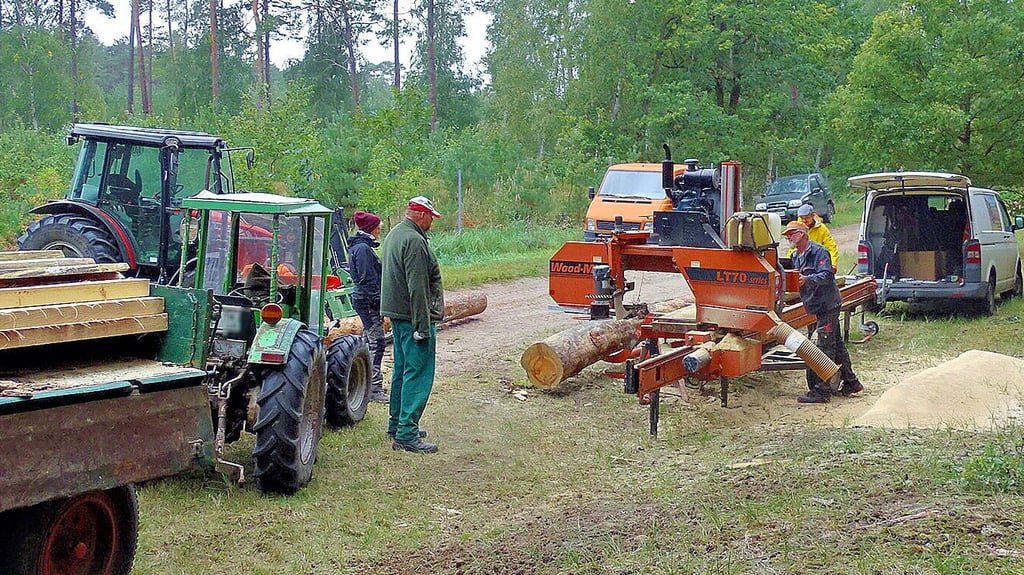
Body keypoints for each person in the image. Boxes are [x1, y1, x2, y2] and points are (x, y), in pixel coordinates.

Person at [380, 196, 444, 453]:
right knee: (418, 372)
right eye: (430, 216)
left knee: (402, 369)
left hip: (397, 313)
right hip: (411, 317)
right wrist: (422, 325)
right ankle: (406, 433)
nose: (432, 222)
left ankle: (397, 423)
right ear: (420, 214)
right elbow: (417, 287)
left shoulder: (396, 233)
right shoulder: (415, 241)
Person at [781, 221, 863, 404]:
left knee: (824, 347)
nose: (788, 237)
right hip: (817, 306)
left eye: (791, 234)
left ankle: (822, 391)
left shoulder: (819, 252)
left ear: (802, 234)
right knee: (838, 346)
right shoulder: (795, 257)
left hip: (828, 305)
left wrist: (807, 279)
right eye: (787, 235)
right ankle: (851, 383)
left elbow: (827, 275)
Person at [348, 210, 387, 403]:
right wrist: (378, 302)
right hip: (367, 300)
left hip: (364, 299)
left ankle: (368, 384)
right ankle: (373, 387)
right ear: (371, 228)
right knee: (377, 342)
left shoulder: (360, 247)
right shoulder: (363, 249)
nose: (381, 229)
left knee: (370, 340)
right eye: (378, 226)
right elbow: (367, 280)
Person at [788, 203, 840, 273]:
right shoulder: (797, 228)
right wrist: (788, 264)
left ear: (813, 215)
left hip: (817, 260)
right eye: (802, 218)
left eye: (806, 218)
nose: (804, 220)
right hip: (801, 262)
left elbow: (831, 247)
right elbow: (792, 249)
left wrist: (833, 264)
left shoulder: (822, 229)